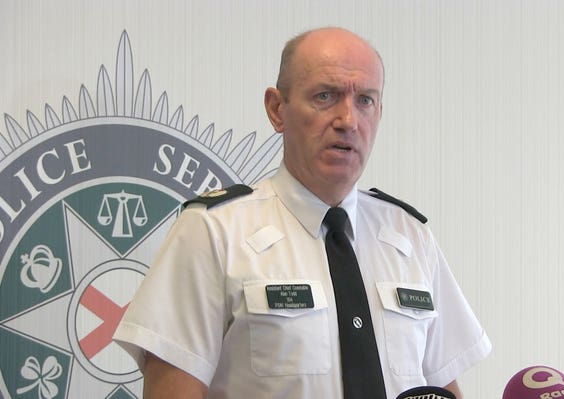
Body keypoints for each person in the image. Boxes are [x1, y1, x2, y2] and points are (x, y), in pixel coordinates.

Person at [114, 26, 491, 399]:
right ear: (277, 110)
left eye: (365, 100)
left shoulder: (410, 237)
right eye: (325, 96)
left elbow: (441, 387)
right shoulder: (213, 232)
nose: (348, 120)